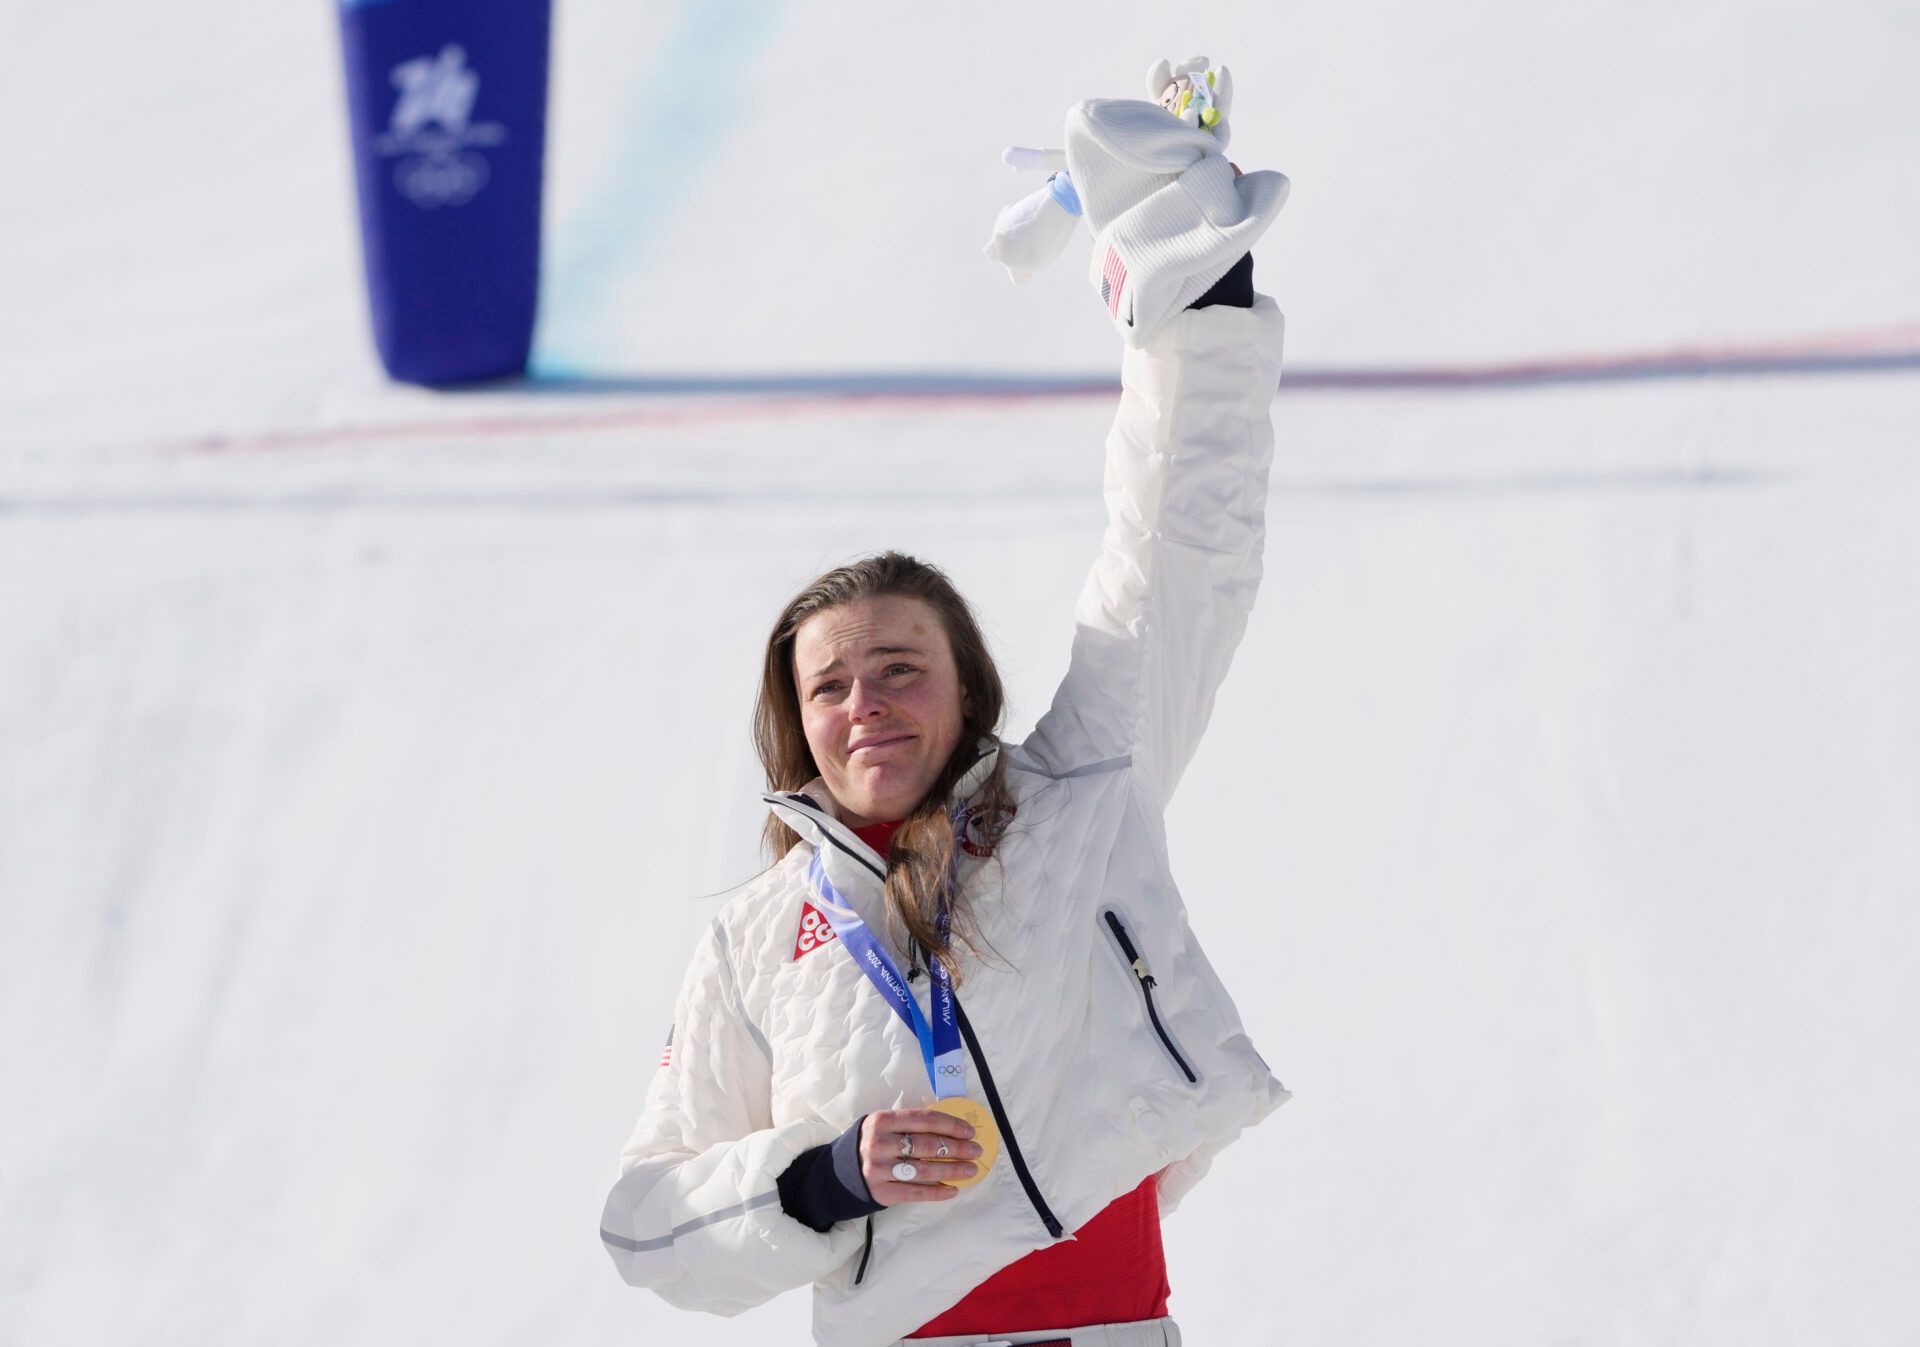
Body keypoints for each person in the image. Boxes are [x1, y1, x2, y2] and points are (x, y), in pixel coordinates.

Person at [601, 57, 1291, 1347]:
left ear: (967, 686)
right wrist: (824, 1176)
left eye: (901, 666)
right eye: (831, 684)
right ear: (794, 723)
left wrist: (1193, 290)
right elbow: (646, 1223)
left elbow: (1181, 545)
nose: (866, 703)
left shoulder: (1081, 793)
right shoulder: (759, 940)